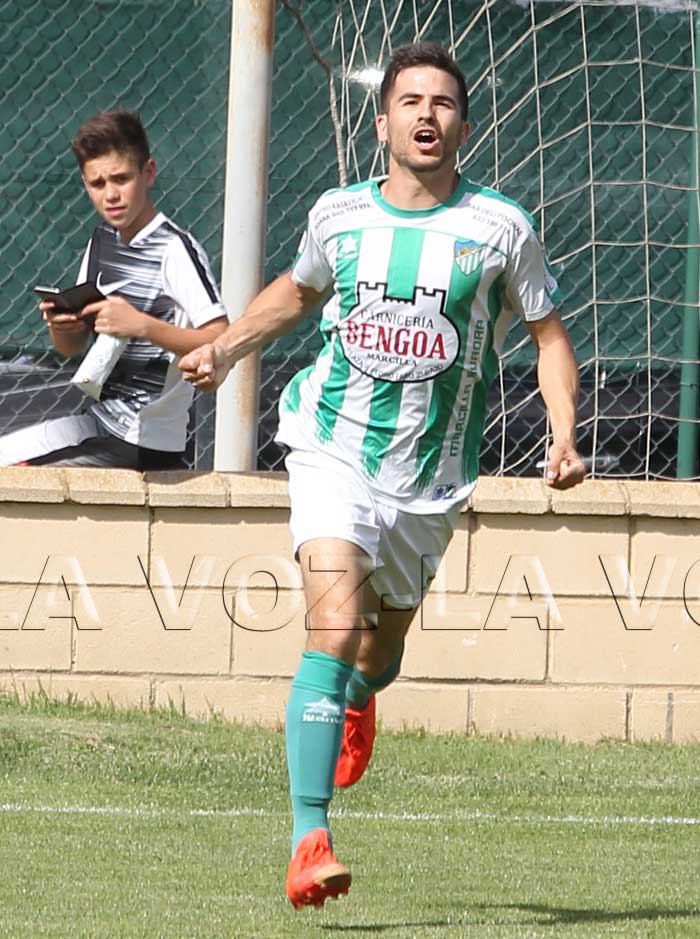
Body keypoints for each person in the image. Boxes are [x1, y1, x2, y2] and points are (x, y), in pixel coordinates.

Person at [179, 42, 586, 908]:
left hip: (430, 479)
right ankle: (309, 839)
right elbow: (298, 292)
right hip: (331, 448)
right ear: (383, 122)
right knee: (332, 626)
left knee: (376, 651)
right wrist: (225, 347)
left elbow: (548, 334)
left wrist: (563, 433)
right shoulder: (339, 214)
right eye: (411, 101)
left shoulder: (501, 228)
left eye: (443, 103)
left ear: (464, 128)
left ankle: (358, 695)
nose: (426, 114)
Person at [0, 110, 228, 470]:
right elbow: (71, 348)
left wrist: (142, 326)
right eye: (98, 183)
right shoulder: (101, 241)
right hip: (97, 420)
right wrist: (63, 326)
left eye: (121, 179)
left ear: (148, 173)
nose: (111, 195)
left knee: (19, 479)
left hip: (143, 442)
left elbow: (220, 339)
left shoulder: (174, 249)